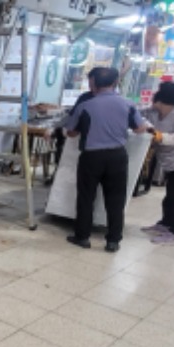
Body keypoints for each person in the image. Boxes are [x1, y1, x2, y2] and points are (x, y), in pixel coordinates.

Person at [65, 67, 148, 252]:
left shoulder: (85, 105)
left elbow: (71, 132)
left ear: (93, 82)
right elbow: (139, 129)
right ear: (115, 82)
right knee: (116, 200)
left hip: (91, 157)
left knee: (86, 197)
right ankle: (113, 241)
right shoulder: (128, 105)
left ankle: (82, 237)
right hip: (117, 156)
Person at [140, 82, 174, 246]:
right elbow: (139, 116)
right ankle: (166, 223)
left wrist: (162, 137)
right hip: (168, 162)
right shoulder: (152, 111)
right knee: (169, 197)